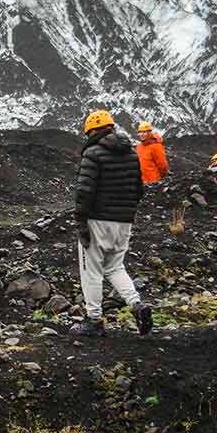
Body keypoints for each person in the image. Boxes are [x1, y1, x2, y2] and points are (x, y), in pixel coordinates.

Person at [71, 109, 152, 337]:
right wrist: (126, 212)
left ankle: (94, 321)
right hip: (124, 222)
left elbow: (84, 192)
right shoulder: (132, 154)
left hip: (97, 220)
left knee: (92, 272)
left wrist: (81, 222)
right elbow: (138, 189)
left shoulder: (93, 154)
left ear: (93, 131)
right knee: (115, 267)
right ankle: (137, 305)